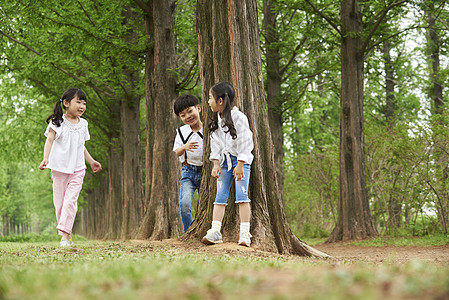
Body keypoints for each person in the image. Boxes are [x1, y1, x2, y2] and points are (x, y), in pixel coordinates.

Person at [39, 88, 102, 247]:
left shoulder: (84, 124)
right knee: (60, 204)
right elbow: (50, 141)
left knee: (70, 202)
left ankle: (65, 236)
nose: (82, 106)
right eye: (78, 102)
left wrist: (91, 161)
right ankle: (66, 233)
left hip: (77, 169)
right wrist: (45, 158)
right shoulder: (57, 122)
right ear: (66, 103)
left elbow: (81, 146)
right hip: (59, 169)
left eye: (84, 103)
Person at [202, 82, 254, 247]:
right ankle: (215, 230)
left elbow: (246, 142)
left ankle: (245, 233)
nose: (208, 101)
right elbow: (215, 145)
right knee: (220, 197)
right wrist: (216, 164)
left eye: (210, 98)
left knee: (242, 197)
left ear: (220, 101)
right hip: (224, 162)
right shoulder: (217, 119)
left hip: (240, 162)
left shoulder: (240, 118)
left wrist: (240, 164)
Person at [173, 94, 204, 232]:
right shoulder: (181, 132)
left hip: (205, 171)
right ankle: (189, 231)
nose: (188, 116)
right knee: (185, 204)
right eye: (183, 115)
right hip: (188, 171)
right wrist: (185, 147)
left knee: (206, 204)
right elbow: (177, 151)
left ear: (198, 108)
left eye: (190, 111)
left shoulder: (208, 129)